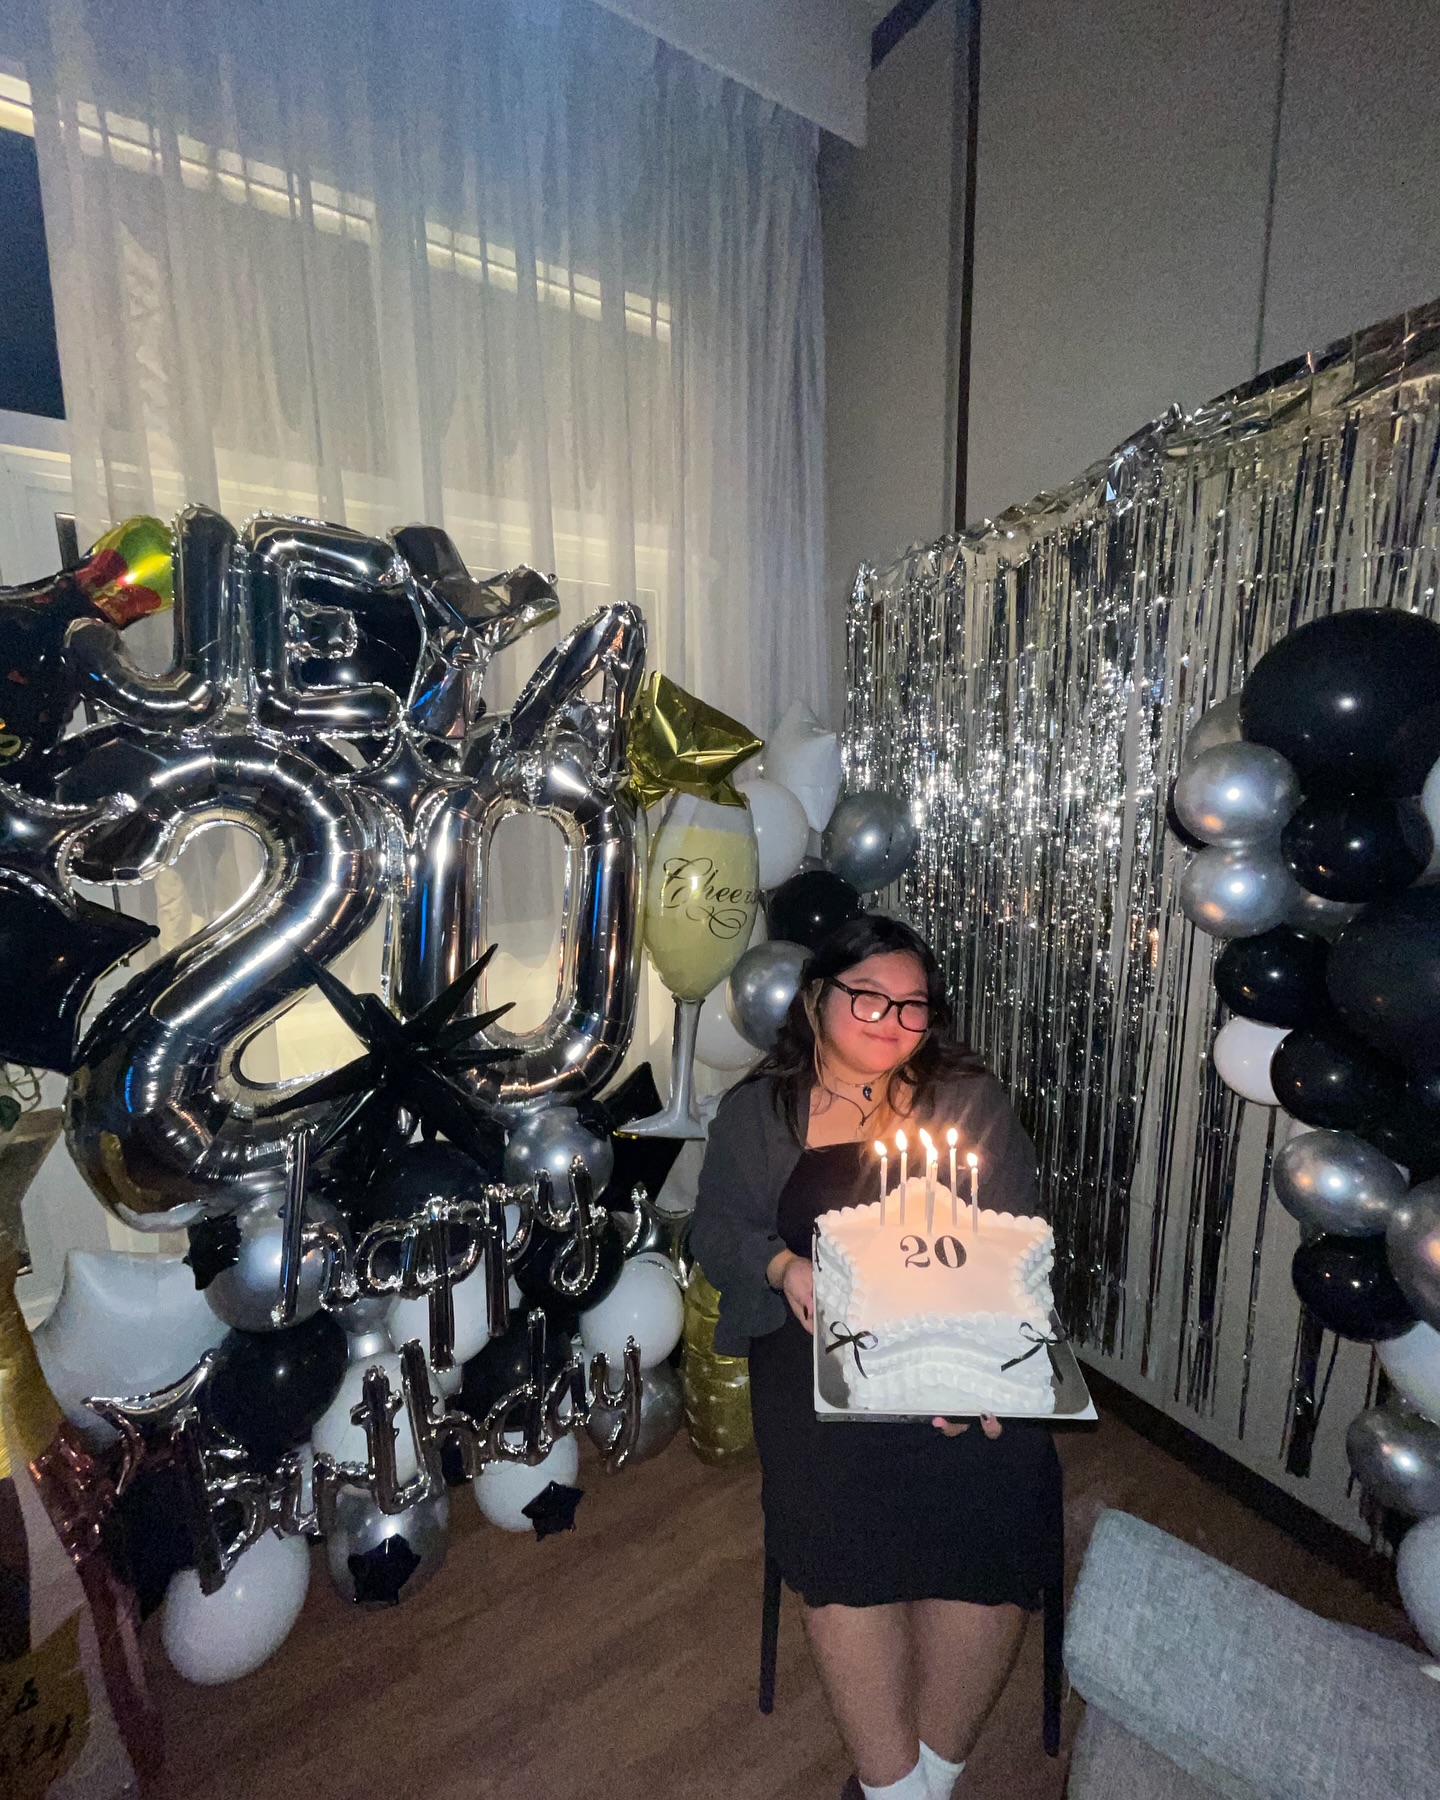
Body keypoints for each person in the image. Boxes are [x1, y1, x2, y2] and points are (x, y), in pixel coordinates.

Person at [691, 915, 1062, 1800]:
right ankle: (897, 1788)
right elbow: (716, 1231)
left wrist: (977, 1361)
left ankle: (914, 1785)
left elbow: (1016, 1238)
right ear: (816, 999)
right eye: (868, 998)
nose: (893, 1023)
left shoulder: (966, 1099)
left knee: (1004, 1494)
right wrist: (780, 1266)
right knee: (840, 1513)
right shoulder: (758, 1112)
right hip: (816, 1349)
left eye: (913, 1006)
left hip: (954, 1340)